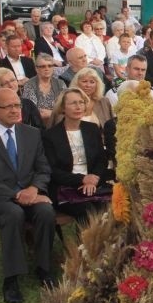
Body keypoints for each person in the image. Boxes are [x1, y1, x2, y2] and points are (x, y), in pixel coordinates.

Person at [0, 87, 56, 303]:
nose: (16, 110)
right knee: (13, 213)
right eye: (9, 106)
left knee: (46, 211)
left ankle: (44, 269)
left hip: (29, 194)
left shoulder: (31, 134)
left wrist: (35, 189)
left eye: (17, 105)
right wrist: (18, 194)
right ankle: (11, 279)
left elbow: (43, 169)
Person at [43, 88, 111, 223]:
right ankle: (87, 244)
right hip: (66, 188)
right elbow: (53, 171)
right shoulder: (50, 135)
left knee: (110, 207)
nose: (78, 107)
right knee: (87, 211)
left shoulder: (91, 129)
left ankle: (112, 244)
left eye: (81, 102)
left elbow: (101, 159)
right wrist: (82, 179)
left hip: (93, 185)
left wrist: (93, 179)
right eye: (73, 103)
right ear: (63, 107)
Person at [22, 54, 67, 127]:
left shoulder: (60, 83)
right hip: (37, 125)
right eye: (43, 66)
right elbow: (32, 111)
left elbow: (66, 106)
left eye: (50, 66)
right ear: (36, 69)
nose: (47, 69)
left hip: (59, 124)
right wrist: (56, 112)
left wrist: (51, 113)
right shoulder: (29, 85)